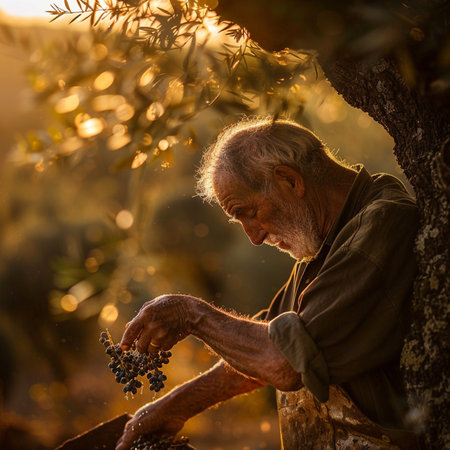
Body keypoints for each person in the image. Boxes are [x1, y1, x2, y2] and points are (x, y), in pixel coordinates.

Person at [115, 118, 420, 449]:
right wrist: (172, 407)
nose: (254, 237)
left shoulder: (381, 227)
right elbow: (263, 346)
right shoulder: (326, 245)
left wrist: (194, 315)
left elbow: (283, 361)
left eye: (249, 212)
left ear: (289, 180)